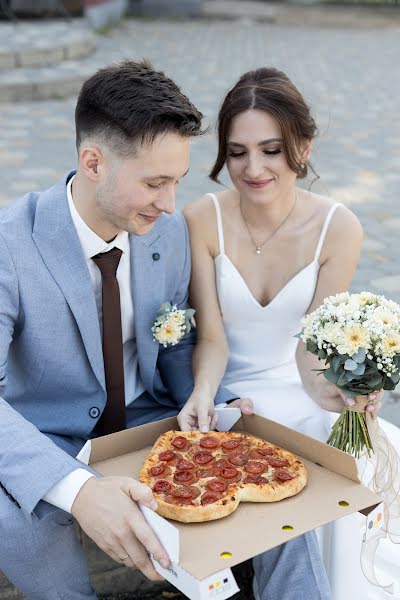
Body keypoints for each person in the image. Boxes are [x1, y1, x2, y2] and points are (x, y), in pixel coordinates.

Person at [0, 60, 330, 600]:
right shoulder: (10, 245)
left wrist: (212, 400)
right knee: (27, 523)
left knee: (280, 494)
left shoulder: (168, 233)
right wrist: (80, 492)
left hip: (152, 422)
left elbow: (173, 344)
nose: (170, 204)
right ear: (93, 163)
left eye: (176, 182)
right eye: (154, 184)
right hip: (47, 436)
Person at [183, 66, 400, 600]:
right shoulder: (200, 218)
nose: (253, 168)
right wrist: (205, 394)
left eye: (271, 150)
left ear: (303, 144)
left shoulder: (338, 227)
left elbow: (312, 344)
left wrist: (336, 391)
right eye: (237, 152)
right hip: (231, 389)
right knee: (281, 438)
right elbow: (211, 337)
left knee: (352, 438)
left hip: (296, 380)